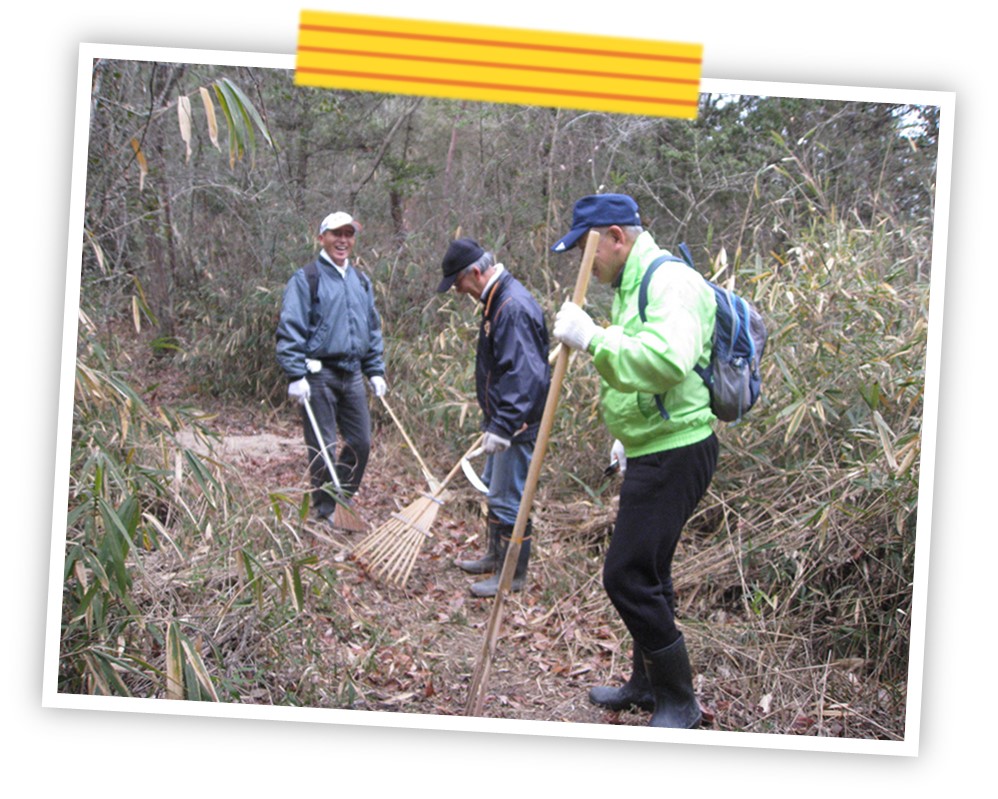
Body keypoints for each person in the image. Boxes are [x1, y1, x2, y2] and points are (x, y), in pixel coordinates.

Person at [550, 193, 718, 729]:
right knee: (650, 572)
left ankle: (680, 701)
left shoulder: (670, 282)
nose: (586, 262)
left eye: (587, 249)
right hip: (654, 445)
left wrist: (594, 338)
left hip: (677, 451)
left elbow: (667, 360)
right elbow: (651, 373)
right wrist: (629, 431)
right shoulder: (631, 284)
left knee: (625, 576)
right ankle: (647, 686)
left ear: (616, 237)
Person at [436, 238, 550, 597]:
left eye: (458, 284)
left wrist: (504, 425)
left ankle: (511, 574)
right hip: (503, 418)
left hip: (517, 424)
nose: (458, 292)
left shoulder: (511, 306)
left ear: (475, 272)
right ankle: (493, 556)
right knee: (494, 488)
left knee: (508, 496)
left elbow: (525, 375)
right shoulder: (496, 300)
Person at [276, 211, 388, 526]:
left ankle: (342, 497)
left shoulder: (360, 281)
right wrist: (295, 374)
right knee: (323, 446)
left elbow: (371, 328)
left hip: (352, 374)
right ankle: (326, 507)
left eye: (348, 234)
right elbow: (291, 327)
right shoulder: (307, 278)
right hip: (317, 374)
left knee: (361, 442)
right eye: (336, 234)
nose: (343, 240)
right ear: (321, 237)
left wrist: (375, 369)